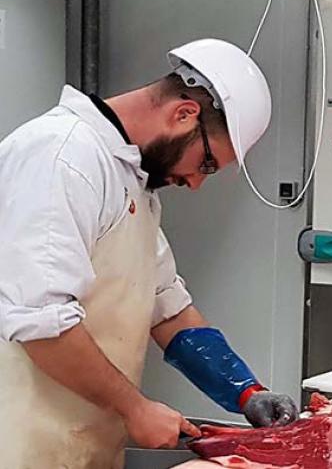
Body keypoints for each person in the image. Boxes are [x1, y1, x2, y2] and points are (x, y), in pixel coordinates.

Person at [0, 39, 299, 468]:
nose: (196, 183)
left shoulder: (133, 181)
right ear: (183, 115)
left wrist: (247, 392)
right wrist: (135, 409)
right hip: (19, 445)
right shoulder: (61, 157)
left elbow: (169, 310)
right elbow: (42, 323)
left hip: (81, 447)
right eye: (207, 164)